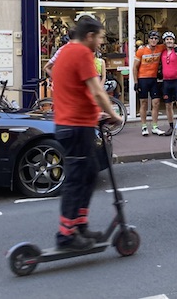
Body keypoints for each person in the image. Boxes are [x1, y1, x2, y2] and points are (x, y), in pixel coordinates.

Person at [52, 17, 122, 251]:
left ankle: (79, 224)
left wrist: (95, 114)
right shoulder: (81, 53)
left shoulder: (65, 52)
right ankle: (66, 234)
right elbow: (97, 90)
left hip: (74, 123)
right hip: (75, 127)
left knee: (90, 172)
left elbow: (76, 90)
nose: (102, 42)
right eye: (100, 37)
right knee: (75, 179)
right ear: (90, 36)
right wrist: (113, 113)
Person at [133, 30, 164, 136]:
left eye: (156, 38)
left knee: (156, 103)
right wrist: (136, 82)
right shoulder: (141, 51)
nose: (154, 40)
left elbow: (170, 43)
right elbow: (135, 67)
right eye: (152, 38)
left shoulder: (160, 48)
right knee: (144, 103)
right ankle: (144, 127)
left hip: (153, 79)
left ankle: (155, 126)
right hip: (143, 79)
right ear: (148, 39)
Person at [160, 31, 177, 136]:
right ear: (164, 42)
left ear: (174, 41)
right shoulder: (163, 52)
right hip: (166, 81)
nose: (169, 41)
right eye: (167, 39)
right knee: (168, 105)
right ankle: (171, 127)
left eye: (171, 39)